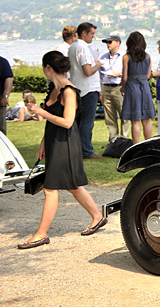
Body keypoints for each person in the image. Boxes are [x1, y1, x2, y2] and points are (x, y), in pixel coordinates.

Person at [17, 51, 106, 250]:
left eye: (43, 67)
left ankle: (41, 234)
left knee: (51, 188)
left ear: (48, 67)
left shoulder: (68, 90)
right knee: (72, 185)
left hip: (66, 142)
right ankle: (98, 216)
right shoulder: (53, 89)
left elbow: (67, 122)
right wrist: (43, 142)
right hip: (54, 140)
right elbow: (52, 121)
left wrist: (41, 112)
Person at [68, 22, 102, 158]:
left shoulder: (72, 46)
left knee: (77, 121)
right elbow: (88, 71)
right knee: (87, 122)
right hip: (88, 89)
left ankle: (76, 149)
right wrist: (98, 65)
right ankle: (87, 151)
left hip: (77, 87)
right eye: (92, 33)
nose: (93, 36)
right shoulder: (82, 48)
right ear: (84, 33)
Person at [120, 31, 156, 144]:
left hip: (132, 87)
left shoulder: (126, 57)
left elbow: (125, 77)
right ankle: (148, 145)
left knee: (135, 121)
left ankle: (136, 146)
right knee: (146, 120)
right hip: (144, 87)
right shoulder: (148, 56)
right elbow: (148, 75)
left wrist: (122, 87)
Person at [99, 34, 130, 143]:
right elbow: (99, 74)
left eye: (110, 42)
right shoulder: (102, 57)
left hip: (119, 87)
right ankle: (113, 141)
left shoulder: (124, 57)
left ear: (118, 43)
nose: (108, 44)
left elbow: (129, 73)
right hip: (106, 88)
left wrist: (120, 74)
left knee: (124, 115)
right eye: (106, 42)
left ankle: (124, 140)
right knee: (109, 116)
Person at [0, 54, 12, 135]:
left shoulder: (2, 62)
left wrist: (5, 96)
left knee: (0, 126)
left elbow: (9, 78)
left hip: (0, 96)